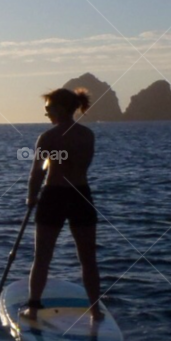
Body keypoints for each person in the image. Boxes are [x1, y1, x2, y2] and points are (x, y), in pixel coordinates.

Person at [21, 88, 103, 326]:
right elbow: (80, 163)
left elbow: (37, 172)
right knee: (88, 259)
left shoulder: (47, 138)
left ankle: (34, 310)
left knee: (42, 258)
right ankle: (95, 311)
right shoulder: (88, 135)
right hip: (81, 195)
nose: (46, 113)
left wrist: (31, 198)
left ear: (60, 109)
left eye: (48, 109)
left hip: (54, 196)